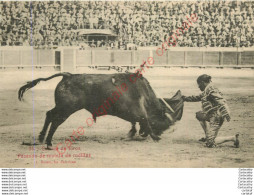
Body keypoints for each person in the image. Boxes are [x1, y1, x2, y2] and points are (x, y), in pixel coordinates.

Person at [182, 74, 239, 148]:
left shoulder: (210, 89)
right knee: (199, 115)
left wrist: (226, 111)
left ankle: (232, 138)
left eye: (199, 84)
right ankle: (208, 135)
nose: (198, 87)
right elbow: (198, 97)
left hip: (216, 117)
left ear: (202, 82)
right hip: (211, 114)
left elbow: (220, 100)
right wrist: (185, 98)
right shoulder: (208, 89)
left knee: (210, 143)